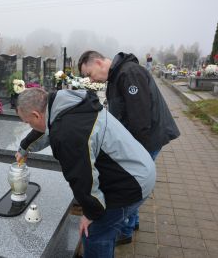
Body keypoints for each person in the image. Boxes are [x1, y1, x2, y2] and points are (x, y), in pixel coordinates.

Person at [15, 88, 156, 258]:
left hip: (131, 184)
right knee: (105, 230)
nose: (30, 125)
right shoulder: (64, 103)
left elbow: (82, 177)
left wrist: (91, 213)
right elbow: (47, 126)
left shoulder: (67, 133)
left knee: (94, 234)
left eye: (28, 122)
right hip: (139, 167)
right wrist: (24, 147)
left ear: (37, 115)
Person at [78, 50, 180, 245]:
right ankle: (131, 223)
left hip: (147, 140)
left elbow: (140, 119)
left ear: (99, 62)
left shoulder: (129, 73)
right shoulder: (117, 75)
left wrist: (128, 153)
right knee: (135, 182)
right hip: (143, 139)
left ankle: (124, 230)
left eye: (89, 74)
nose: (91, 80)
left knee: (132, 181)